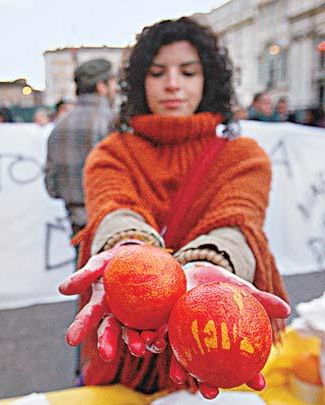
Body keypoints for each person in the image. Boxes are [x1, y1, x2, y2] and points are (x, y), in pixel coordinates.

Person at [58, 17, 290, 399]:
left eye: (187, 72)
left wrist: (212, 263)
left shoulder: (244, 158)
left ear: (208, 80)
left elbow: (237, 223)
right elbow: (115, 207)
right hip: (124, 345)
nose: (172, 84)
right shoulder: (111, 154)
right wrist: (128, 248)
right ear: (139, 82)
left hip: (214, 338)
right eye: (157, 72)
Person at [44, 58, 117, 236]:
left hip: (77, 222)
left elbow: (51, 186)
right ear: (102, 86)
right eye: (113, 83)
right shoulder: (113, 122)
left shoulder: (59, 126)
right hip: (113, 223)